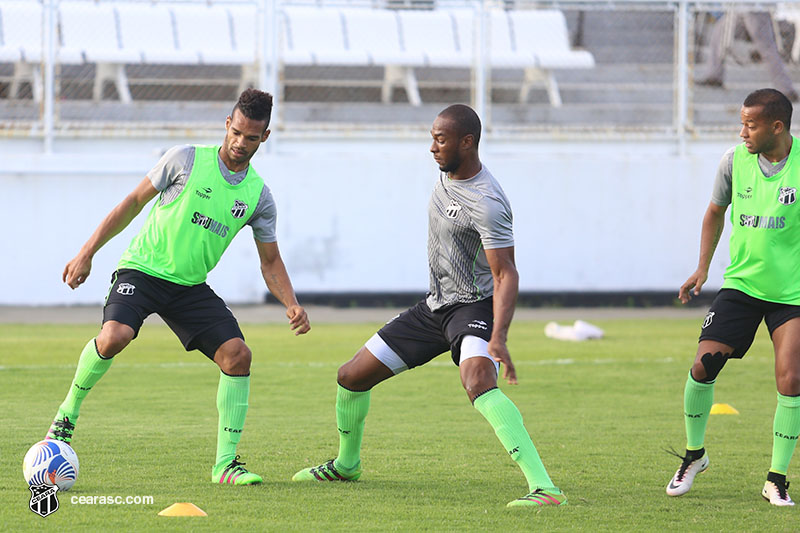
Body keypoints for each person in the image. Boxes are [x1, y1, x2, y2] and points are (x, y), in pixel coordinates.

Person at [291, 104, 565, 508]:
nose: (432, 148)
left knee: (476, 381)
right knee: (351, 376)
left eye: (440, 139)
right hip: (434, 307)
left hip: (473, 309)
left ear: (467, 142)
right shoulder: (447, 176)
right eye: (432, 137)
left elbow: (507, 274)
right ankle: (347, 465)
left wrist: (500, 336)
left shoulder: (487, 200)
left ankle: (545, 488)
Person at [46, 88, 310, 485]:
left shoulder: (258, 196)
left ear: (264, 138)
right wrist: (87, 252)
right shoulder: (185, 159)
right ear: (227, 124)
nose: (240, 143)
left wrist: (291, 302)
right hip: (142, 270)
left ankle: (225, 466)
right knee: (115, 335)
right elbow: (132, 202)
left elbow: (270, 261)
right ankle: (66, 416)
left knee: (238, 356)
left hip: (188, 287)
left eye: (251, 137)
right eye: (236, 132)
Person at [668, 88, 800, 506]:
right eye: (742, 122)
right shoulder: (732, 161)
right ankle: (694, 455)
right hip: (741, 286)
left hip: (791, 294)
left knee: (791, 379)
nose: (742, 131)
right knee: (702, 366)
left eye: (750, 124)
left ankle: (776, 478)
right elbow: (714, 212)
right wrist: (702, 268)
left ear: (776, 127)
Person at [696, 10, 798, 102]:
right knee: (719, 31)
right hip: (739, 7)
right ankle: (714, 75)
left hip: (755, 8)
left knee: (767, 49)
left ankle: (787, 90)